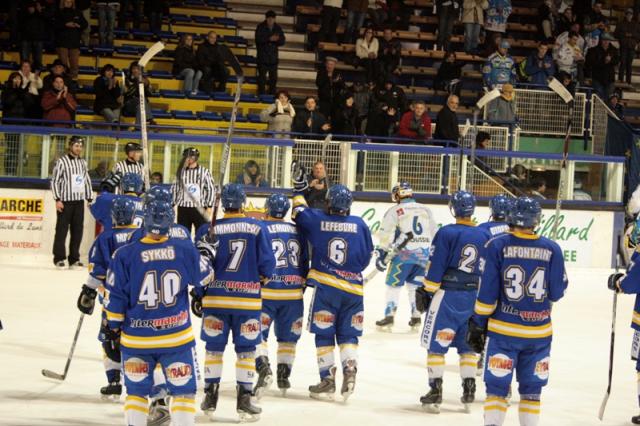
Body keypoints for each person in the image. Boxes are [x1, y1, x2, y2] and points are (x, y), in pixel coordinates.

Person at [103, 199, 213, 426]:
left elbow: (115, 299)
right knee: (183, 393)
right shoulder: (184, 250)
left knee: (136, 394)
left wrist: (113, 327)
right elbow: (205, 277)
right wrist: (207, 252)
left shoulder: (123, 255)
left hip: (137, 340)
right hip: (176, 340)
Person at [466, 197, 568, 426]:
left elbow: (487, 294)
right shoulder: (552, 249)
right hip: (539, 335)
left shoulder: (497, 245)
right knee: (532, 392)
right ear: (537, 220)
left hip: (504, 333)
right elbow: (556, 294)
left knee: (497, 388)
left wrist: (478, 322)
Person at [194, 183, 275, 421]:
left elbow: (199, 267)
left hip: (216, 301)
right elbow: (267, 266)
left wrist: (198, 293)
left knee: (214, 350)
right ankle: (244, 400)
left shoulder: (207, 230)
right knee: (247, 353)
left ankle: (210, 395)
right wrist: (259, 279)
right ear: (242, 202)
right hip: (247, 303)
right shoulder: (257, 227)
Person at [290, 180, 373, 401]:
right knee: (349, 336)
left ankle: (327, 378)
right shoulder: (360, 224)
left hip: (327, 290)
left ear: (329, 203)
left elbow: (298, 211)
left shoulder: (318, 220)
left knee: (324, 334)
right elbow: (366, 258)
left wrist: (299, 191)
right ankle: (350, 370)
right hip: (354, 292)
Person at [415, 191, 487, 413]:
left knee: (436, 346)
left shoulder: (446, 232)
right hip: (474, 296)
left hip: (447, 295)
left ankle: (435, 390)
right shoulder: (484, 234)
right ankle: (469, 389)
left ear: (453, 208)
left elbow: (436, 266)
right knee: (467, 347)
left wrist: (427, 289)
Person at [76, 197, 140, 399]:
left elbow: (98, 271)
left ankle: (114, 381)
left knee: (110, 339)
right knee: (137, 341)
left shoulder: (105, 238)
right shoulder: (141, 236)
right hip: (140, 301)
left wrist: (88, 291)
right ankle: (138, 382)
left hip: (112, 301)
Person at [253, 194, 309, 398]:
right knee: (288, 338)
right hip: (293, 294)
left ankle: (263, 367)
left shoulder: (260, 228)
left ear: (267, 208)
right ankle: (284, 376)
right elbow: (304, 262)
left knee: (257, 334)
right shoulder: (298, 231)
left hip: (266, 293)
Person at [374, 182, 437, 331]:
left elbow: (386, 234)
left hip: (403, 257)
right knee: (414, 287)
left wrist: (382, 253)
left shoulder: (395, 210)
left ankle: (389, 315)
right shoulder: (426, 209)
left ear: (398, 194)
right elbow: (434, 233)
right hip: (423, 256)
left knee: (393, 286)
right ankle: (416, 316)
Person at [50, 136, 92, 268]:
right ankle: (59, 258)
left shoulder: (83, 163)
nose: (78, 148)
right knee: (61, 231)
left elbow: (86, 181)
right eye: (76, 146)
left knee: (77, 231)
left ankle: (74, 259)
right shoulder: (62, 162)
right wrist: (57, 199)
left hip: (79, 201)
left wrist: (89, 198)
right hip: (65, 202)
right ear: (70, 146)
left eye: (80, 146)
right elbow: (55, 181)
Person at [172, 147, 215, 235]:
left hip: (200, 209)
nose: (185, 159)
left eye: (187, 157)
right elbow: (175, 189)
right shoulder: (180, 172)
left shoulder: (205, 172)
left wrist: (209, 207)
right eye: (185, 157)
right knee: (183, 234)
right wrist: (171, 204)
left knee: (201, 233)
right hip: (183, 208)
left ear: (194, 158)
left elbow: (211, 189)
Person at [2, 72, 32, 176]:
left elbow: (29, 105)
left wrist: (22, 92)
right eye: (15, 79)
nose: (17, 80)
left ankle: (18, 172)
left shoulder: (24, 92)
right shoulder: (6, 91)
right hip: (9, 125)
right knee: (11, 149)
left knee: (19, 149)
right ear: (11, 80)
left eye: (19, 79)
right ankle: (9, 171)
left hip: (21, 125)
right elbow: (8, 103)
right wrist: (15, 91)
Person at [54, 0, 88, 80]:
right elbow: (54, 25)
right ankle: (63, 80)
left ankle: (73, 81)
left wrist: (78, 25)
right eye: (66, 1)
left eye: (70, 1)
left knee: (74, 64)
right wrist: (65, 25)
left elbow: (85, 24)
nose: (68, 3)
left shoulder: (78, 12)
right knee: (63, 64)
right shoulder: (59, 12)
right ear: (63, 2)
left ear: (73, 3)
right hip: (62, 42)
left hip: (74, 42)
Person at [255, 10, 286, 96]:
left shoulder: (278, 28)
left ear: (275, 19)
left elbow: (283, 41)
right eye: (269, 19)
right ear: (266, 19)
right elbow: (258, 39)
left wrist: (277, 40)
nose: (271, 21)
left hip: (273, 58)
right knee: (262, 79)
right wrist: (269, 39)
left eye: (272, 19)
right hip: (262, 57)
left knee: (273, 79)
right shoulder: (260, 27)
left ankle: (272, 96)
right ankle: (261, 95)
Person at [586, 33, 619, 101]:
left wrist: (610, 60)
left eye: (608, 40)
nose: (606, 41)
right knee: (598, 100)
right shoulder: (593, 50)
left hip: (610, 79)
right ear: (601, 40)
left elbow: (617, 61)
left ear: (610, 41)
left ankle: (607, 112)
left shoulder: (614, 50)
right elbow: (590, 62)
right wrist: (604, 61)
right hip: (597, 78)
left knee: (608, 100)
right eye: (604, 40)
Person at [615, 8, 640, 85]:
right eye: (628, 14)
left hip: (631, 47)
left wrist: (631, 35)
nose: (629, 15)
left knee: (629, 64)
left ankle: (628, 82)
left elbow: (639, 35)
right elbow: (616, 34)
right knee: (623, 63)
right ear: (625, 15)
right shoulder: (620, 24)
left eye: (631, 14)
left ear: (632, 15)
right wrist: (624, 35)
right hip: (623, 46)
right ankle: (620, 80)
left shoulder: (636, 25)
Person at [20, 1, 47, 70]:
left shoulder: (42, 6)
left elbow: (48, 19)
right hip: (26, 37)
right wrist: (28, 12)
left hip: (38, 37)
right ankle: (25, 76)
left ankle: (37, 77)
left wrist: (40, 10)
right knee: (25, 60)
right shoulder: (24, 8)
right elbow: (20, 20)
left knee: (38, 61)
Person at [316, 56, 344, 120]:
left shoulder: (338, 73)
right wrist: (327, 77)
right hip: (324, 100)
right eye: (328, 64)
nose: (330, 66)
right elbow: (318, 83)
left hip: (335, 101)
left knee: (335, 119)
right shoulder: (321, 72)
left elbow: (343, 86)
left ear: (334, 65)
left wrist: (337, 82)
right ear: (326, 64)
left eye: (331, 64)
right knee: (323, 119)